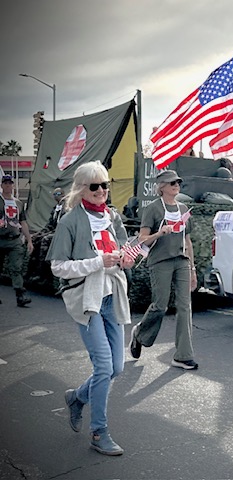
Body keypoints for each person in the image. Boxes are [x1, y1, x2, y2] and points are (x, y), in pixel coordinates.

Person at [46, 161, 135, 456]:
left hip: (112, 295)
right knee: (104, 367)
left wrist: (127, 258)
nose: (101, 191)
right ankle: (99, 432)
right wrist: (98, 262)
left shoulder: (112, 216)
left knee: (116, 367)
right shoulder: (70, 221)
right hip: (87, 299)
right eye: (95, 186)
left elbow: (123, 250)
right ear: (82, 189)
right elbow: (58, 267)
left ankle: (77, 398)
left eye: (105, 185)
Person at [128, 169, 198, 370]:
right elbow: (142, 239)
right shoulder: (153, 209)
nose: (176, 185)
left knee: (185, 306)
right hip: (160, 261)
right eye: (172, 183)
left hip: (182, 261)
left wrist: (192, 269)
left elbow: (187, 241)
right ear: (162, 187)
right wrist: (159, 233)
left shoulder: (183, 208)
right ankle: (140, 333)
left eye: (178, 182)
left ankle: (183, 355)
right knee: (160, 306)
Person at [0, 174, 34, 306]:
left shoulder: (18, 203)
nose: (8, 186)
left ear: (13, 185)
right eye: (5, 183)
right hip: (0, 238)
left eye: (10, 183)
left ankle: (20, 295)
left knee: (16, 267)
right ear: (2, 185)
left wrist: (29, 240)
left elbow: (23, 222)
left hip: (14, 240)